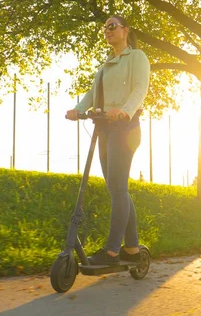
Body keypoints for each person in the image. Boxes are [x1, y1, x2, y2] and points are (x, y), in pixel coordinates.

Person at [65, 15, 150, 265]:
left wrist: (125, 110)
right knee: (116, 189)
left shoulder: (137, 57)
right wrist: (76, 109)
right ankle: (132, 249)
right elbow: (93, 94)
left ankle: (112, 251)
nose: (108, 30)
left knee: (118, 188)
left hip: (126, 128)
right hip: (104, 129)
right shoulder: (104, 67)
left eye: (112, 26)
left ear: (125, 30)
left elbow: (140, 88)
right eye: (105, 28)